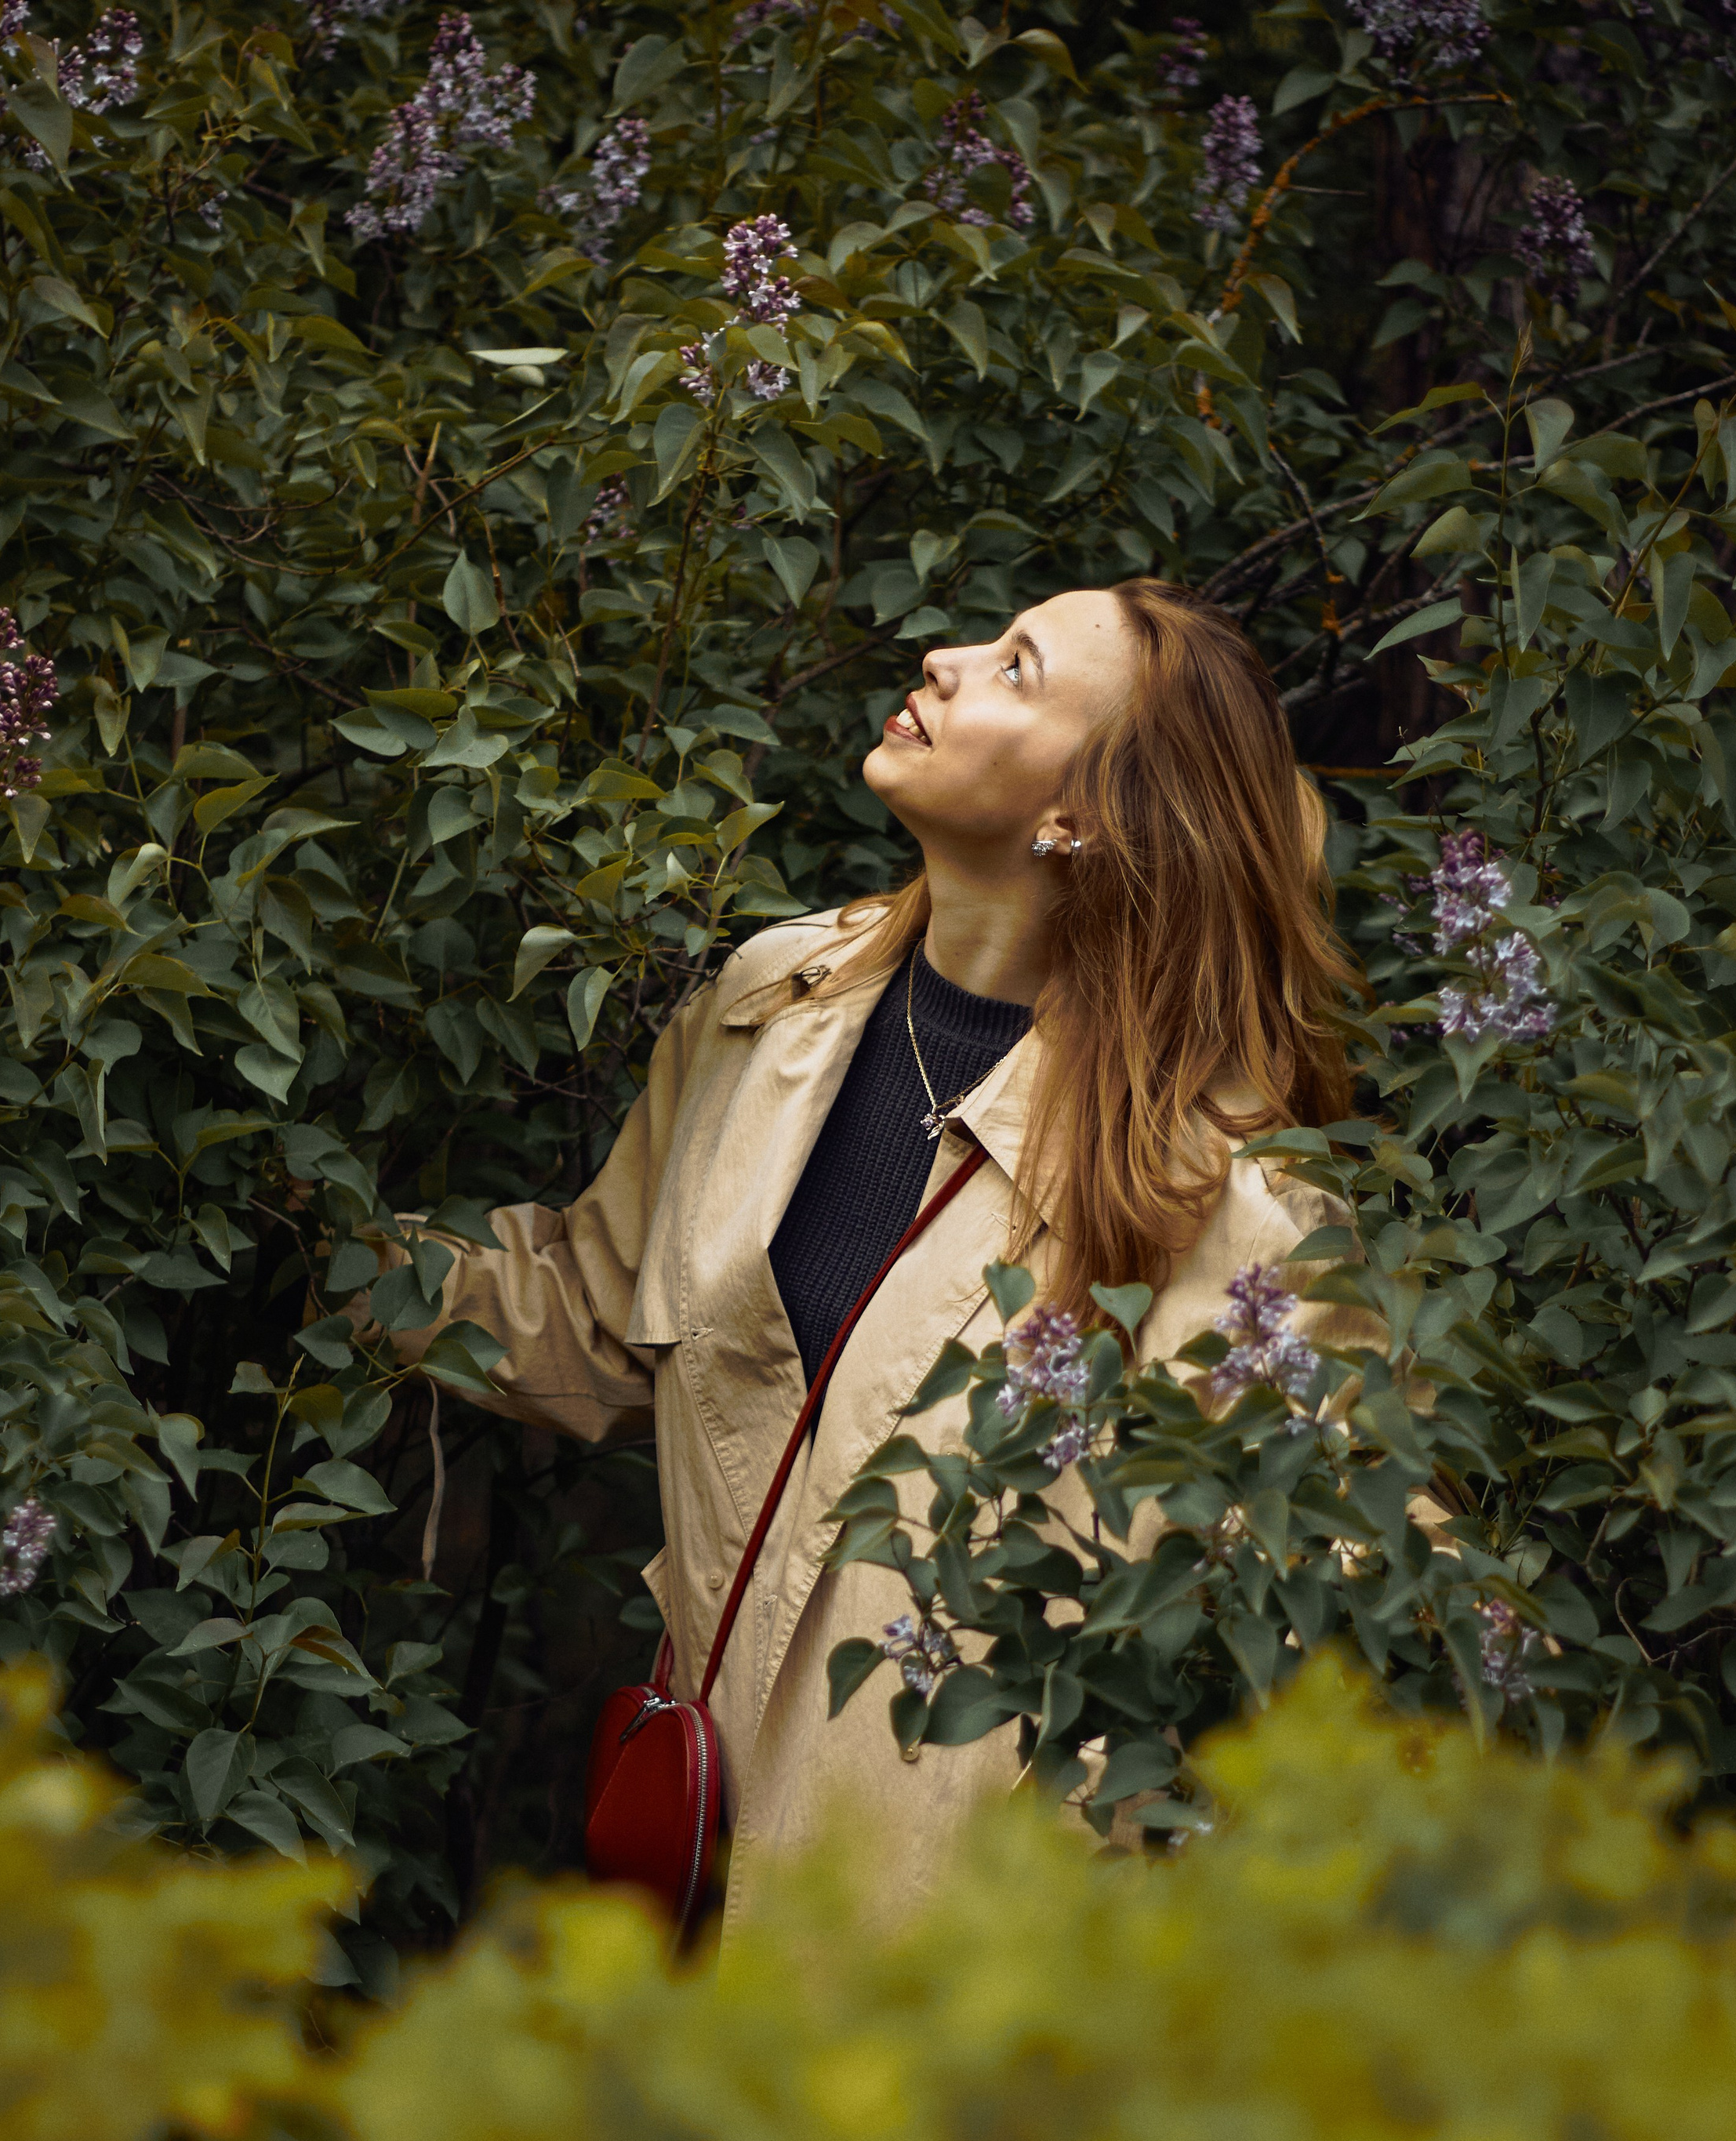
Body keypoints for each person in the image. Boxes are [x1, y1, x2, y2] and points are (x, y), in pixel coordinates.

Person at [365, 578, 1375, 1934]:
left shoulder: (1240, 1218)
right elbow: (594, 1317)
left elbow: (1312, 1661)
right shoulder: (767, 1007)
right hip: (696, 1907)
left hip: (974, 1979)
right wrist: (300, 1244)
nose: (945, 660)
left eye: (1015, 669)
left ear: (1082, 815)